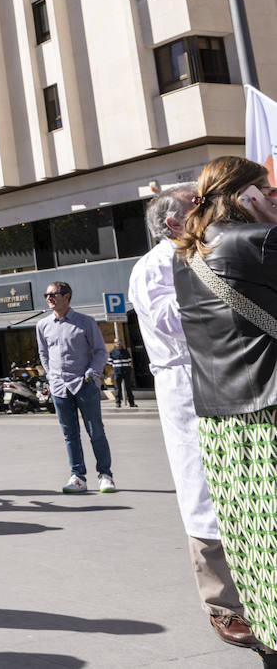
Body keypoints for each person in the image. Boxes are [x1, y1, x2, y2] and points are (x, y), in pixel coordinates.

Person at [128, 184, 257, 649]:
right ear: (173, 223)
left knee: (243, 484)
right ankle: (222, 603)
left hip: (228, 376)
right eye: (196, 205)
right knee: (202, 490)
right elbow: (174, 320)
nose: (207, 210)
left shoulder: (208, 250)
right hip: (187, 382)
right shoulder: (154, 265)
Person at [173, 156, 277, 663]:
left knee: (259, 555)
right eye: (266, 188)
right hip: (269, 418)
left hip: (221, 430)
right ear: (244, 195)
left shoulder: (187, 256)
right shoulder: (259, 240)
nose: (273, 196)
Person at [35, 281, 115, 494]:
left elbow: (100, 351)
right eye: (47, 295)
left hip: (84, 384)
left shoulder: (86, 322)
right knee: (70, 434)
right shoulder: (42, 325)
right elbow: (43, 353)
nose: (49, 298)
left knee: (95, 431)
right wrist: (51, 376)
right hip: (59, 387)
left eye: (53, 294)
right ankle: (78, 477)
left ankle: (105, 475)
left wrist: (92, 373)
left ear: (67, 296)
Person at [109, 342, 137, 408]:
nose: (118, 344)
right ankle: (118, 403)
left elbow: (129, 360)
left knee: (128, 388)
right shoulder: (112, 352)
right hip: (117, 372)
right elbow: (109, 361)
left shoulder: (125, 351)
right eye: (116, 343)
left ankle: (132, 403)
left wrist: (126, 366)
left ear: (121, 343)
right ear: (114, 344)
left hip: (126, 371)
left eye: (119, 342)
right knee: (117, 388)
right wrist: (116, 366)